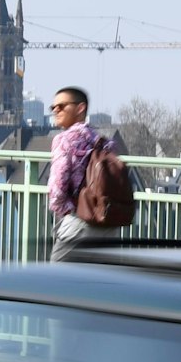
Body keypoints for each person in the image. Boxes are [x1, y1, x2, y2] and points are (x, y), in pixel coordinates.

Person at [46, 86, 116, 261]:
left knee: (56, 276)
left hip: (79, 221)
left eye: (61, 106)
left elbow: (58, 187)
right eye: (53, 107)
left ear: (80, 108)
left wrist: (67, 212)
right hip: (106, 223)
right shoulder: (102, 141)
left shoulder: (63, 140)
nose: (56, 110)